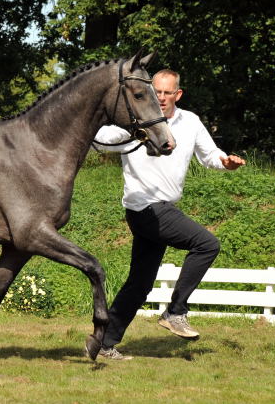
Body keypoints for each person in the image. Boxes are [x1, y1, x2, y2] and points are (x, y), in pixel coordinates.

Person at [93, 68, 246, 360]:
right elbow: (100, 139)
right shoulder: (136, 121)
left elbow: (209, 154)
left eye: (166, 93)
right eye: (156, 92)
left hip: (163, 209)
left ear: (178, 94)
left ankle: (103, 342)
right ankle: (176, 312)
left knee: (139, 285)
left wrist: (225, 161)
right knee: (207, 244)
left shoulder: (190, 122)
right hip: (144, 208)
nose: (161, 98)